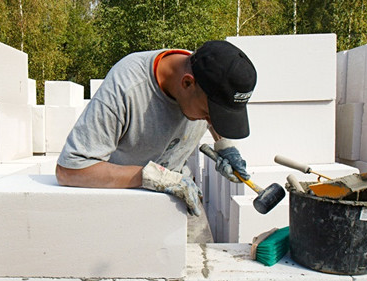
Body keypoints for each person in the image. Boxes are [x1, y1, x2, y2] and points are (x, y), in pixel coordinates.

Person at [55, 40, 257, 216]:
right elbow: (69, 170)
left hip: (174, 206)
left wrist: (225, 146)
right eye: (207, 113)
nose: (209, 122)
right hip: (123, 208)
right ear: (187, 83)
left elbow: (211, 115)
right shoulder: (127, 87)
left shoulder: (203, 75)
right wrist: (156, 177)